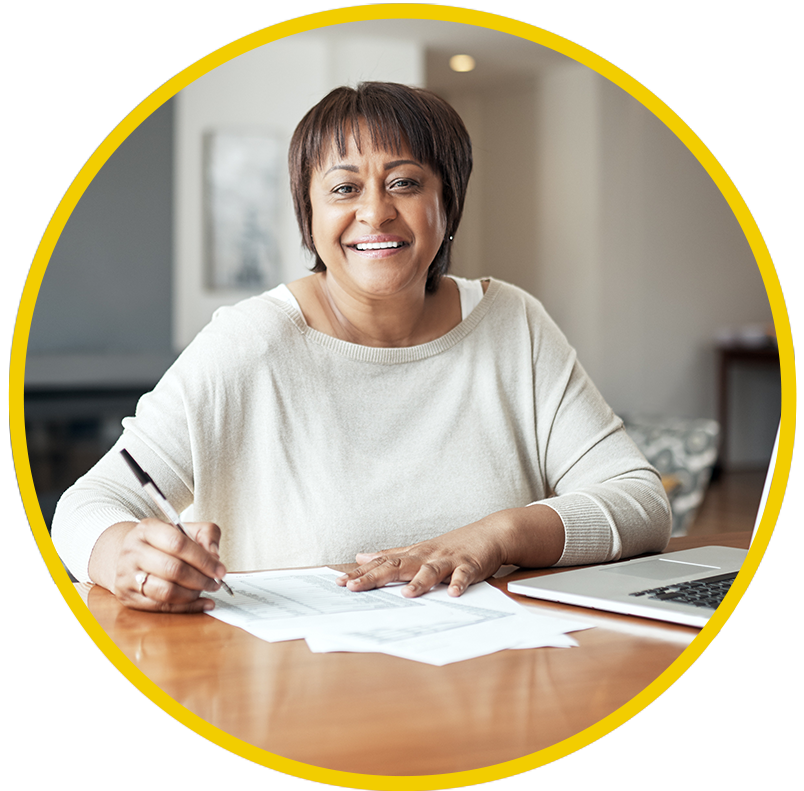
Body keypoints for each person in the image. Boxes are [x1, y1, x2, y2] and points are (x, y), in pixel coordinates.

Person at [51, 82, 671, 613]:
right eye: (343, 189)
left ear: (446, 204)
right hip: (297, 696)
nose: (376, 213)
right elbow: (89, 504)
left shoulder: (514, 323)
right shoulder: (249, 343)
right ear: (310, 216)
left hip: (496, 681)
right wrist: (121, 556)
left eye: (404, 182)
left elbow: (642, 503)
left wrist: (496, 535)